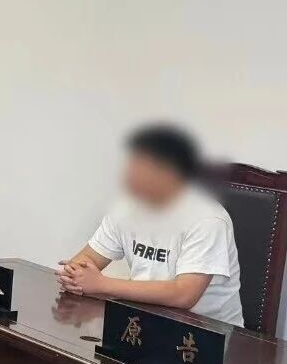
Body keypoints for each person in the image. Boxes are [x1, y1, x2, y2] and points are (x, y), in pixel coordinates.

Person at [58, 124, 243, 326]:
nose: (128, 174)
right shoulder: (125, 210)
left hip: (205, 333)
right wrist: (75, 276)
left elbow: (184, 295)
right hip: (145, 321)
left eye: (140, 167)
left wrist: (102, 284)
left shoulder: (208, 219)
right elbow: (86, 261)